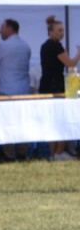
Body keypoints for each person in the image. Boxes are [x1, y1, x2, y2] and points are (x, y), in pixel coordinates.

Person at [0, 19, 32, 160]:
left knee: (6, 122)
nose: (0, 32)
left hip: (6, 89)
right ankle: (23, 151)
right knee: (23, 122)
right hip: (23, 89)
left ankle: (9, 153)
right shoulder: (26, 46)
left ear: (9, 29)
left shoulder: (3, 46)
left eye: (2, 29)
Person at [38, 15, 80, 160]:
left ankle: (54, 153)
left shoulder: (45, 45)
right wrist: (79, 53)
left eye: (63, 31)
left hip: (47, 85)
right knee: (62, 118)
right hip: (55, 86)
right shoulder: (55, 46)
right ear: (51, 32)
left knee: (52, 119)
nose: (61, 33)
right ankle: (59, 152)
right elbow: (71, 64)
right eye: (59, 31)